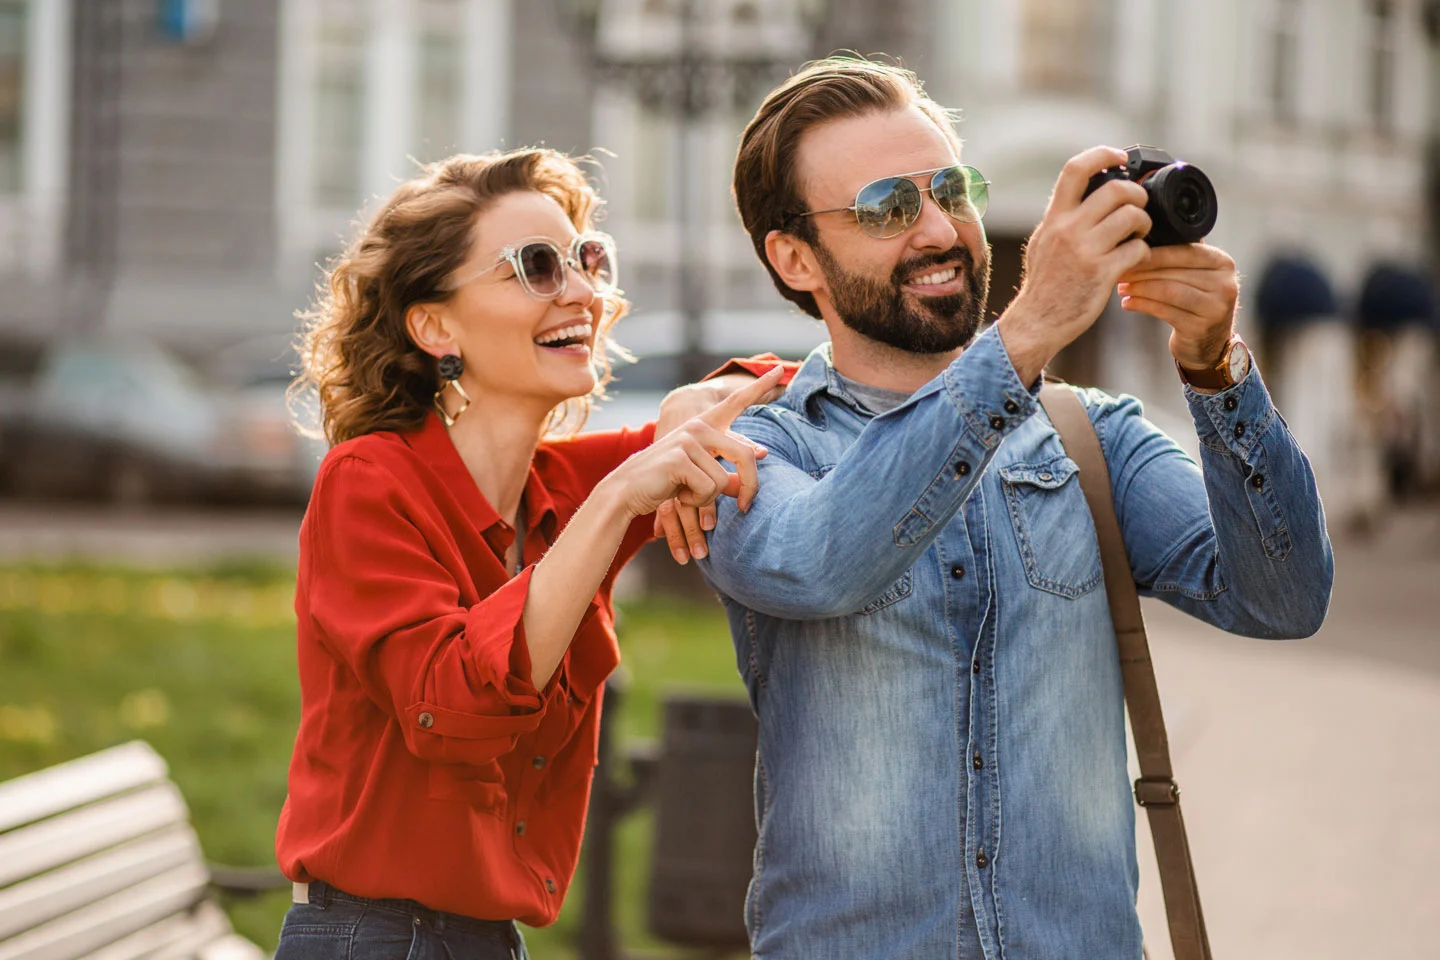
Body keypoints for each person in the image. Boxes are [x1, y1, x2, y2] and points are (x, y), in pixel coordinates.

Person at [696, 58, 1334, 959]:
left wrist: (1214, 367)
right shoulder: (749, 448)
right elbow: (818, 561)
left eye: (950, 190)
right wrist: (1030, 326)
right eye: (886, 207)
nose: (938, 228)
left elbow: (1284, 599)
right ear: (796, 259)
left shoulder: (1091, 437)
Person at [272, 147, 782, 960]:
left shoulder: (559, 483)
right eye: (534, 267)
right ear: (436, 325)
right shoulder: (368, 482)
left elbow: (786, 390)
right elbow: (454, 710)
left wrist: (693, 402)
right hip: (372, 938)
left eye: (586, 259)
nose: (582, 289)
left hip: (486, 941)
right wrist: (619, 499)